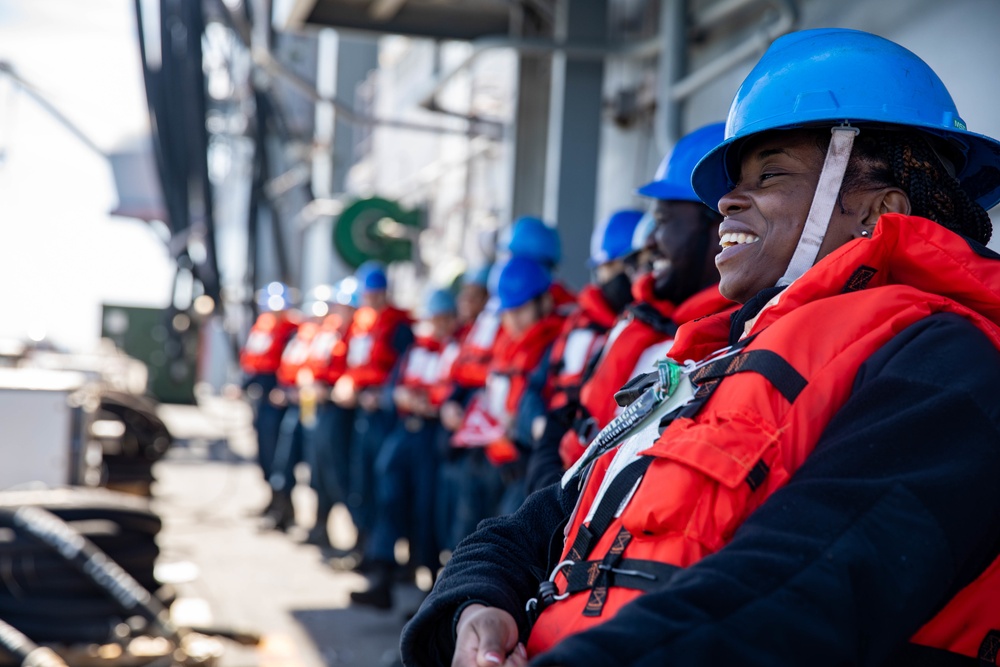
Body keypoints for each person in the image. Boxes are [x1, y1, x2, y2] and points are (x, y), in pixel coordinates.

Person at [400, 28, 1000, 667]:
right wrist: (477, 605)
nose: (725, 202)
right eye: (732, 183)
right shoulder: (703, 364)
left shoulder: (950, 367)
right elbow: (545, 517)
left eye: (770, 173)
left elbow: (800, 590)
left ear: (878, 212)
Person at [556, 122, 733, 471]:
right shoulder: (641, 317)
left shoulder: (732, 345)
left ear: (720, 227)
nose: (649, 243)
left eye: (663, 221)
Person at [351, 288, 461, 609]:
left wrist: (433, 404)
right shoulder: (416, 350)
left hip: (432, 438)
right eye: (434, 319)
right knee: (389, 495)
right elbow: (391, 389)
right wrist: (400, 397)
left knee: (427, 509)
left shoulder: (457, 351)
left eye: (445, 318)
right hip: (405, 432)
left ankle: (429, 586)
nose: (439, 325)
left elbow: (458, 392)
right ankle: (382, 576)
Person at [524, 208, 645, 493]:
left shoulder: (658, 331)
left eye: (621, 267)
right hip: (554, 457)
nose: (611, 278)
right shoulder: (579, 324)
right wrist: (540, 427)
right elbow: (535, 386)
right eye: (606, 268)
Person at [331, 261, 413, 563]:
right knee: (360, 479)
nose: (372, 301)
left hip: (386, 417)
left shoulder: (399, 328)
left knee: (384, 484)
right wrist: (348, 384)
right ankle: (363, 543)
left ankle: (383, 555)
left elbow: (404, 369)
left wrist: (383, 396)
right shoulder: (361, 326)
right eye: (368, 295)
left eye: (377, 295)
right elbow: (352, 365)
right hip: (361, 414)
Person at [301, 277, 360, 547]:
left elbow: (358, 371)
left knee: (341, 475)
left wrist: (341, 385)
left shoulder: (358, 335)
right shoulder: (330, 332)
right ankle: (320, 527)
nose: (340, 312)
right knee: (319, 469)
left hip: (344, 414)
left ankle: (359, 539)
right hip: (321, 407)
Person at [238, 282, 300, 518]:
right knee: (263, 452)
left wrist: (284, 389)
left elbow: (292, 364)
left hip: (279, 403)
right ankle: (272, 500)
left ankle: (284, 507)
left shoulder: (292, 332)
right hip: (261, 401)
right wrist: (241, 387)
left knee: (279, 455)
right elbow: (253, 365)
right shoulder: (262, 328)